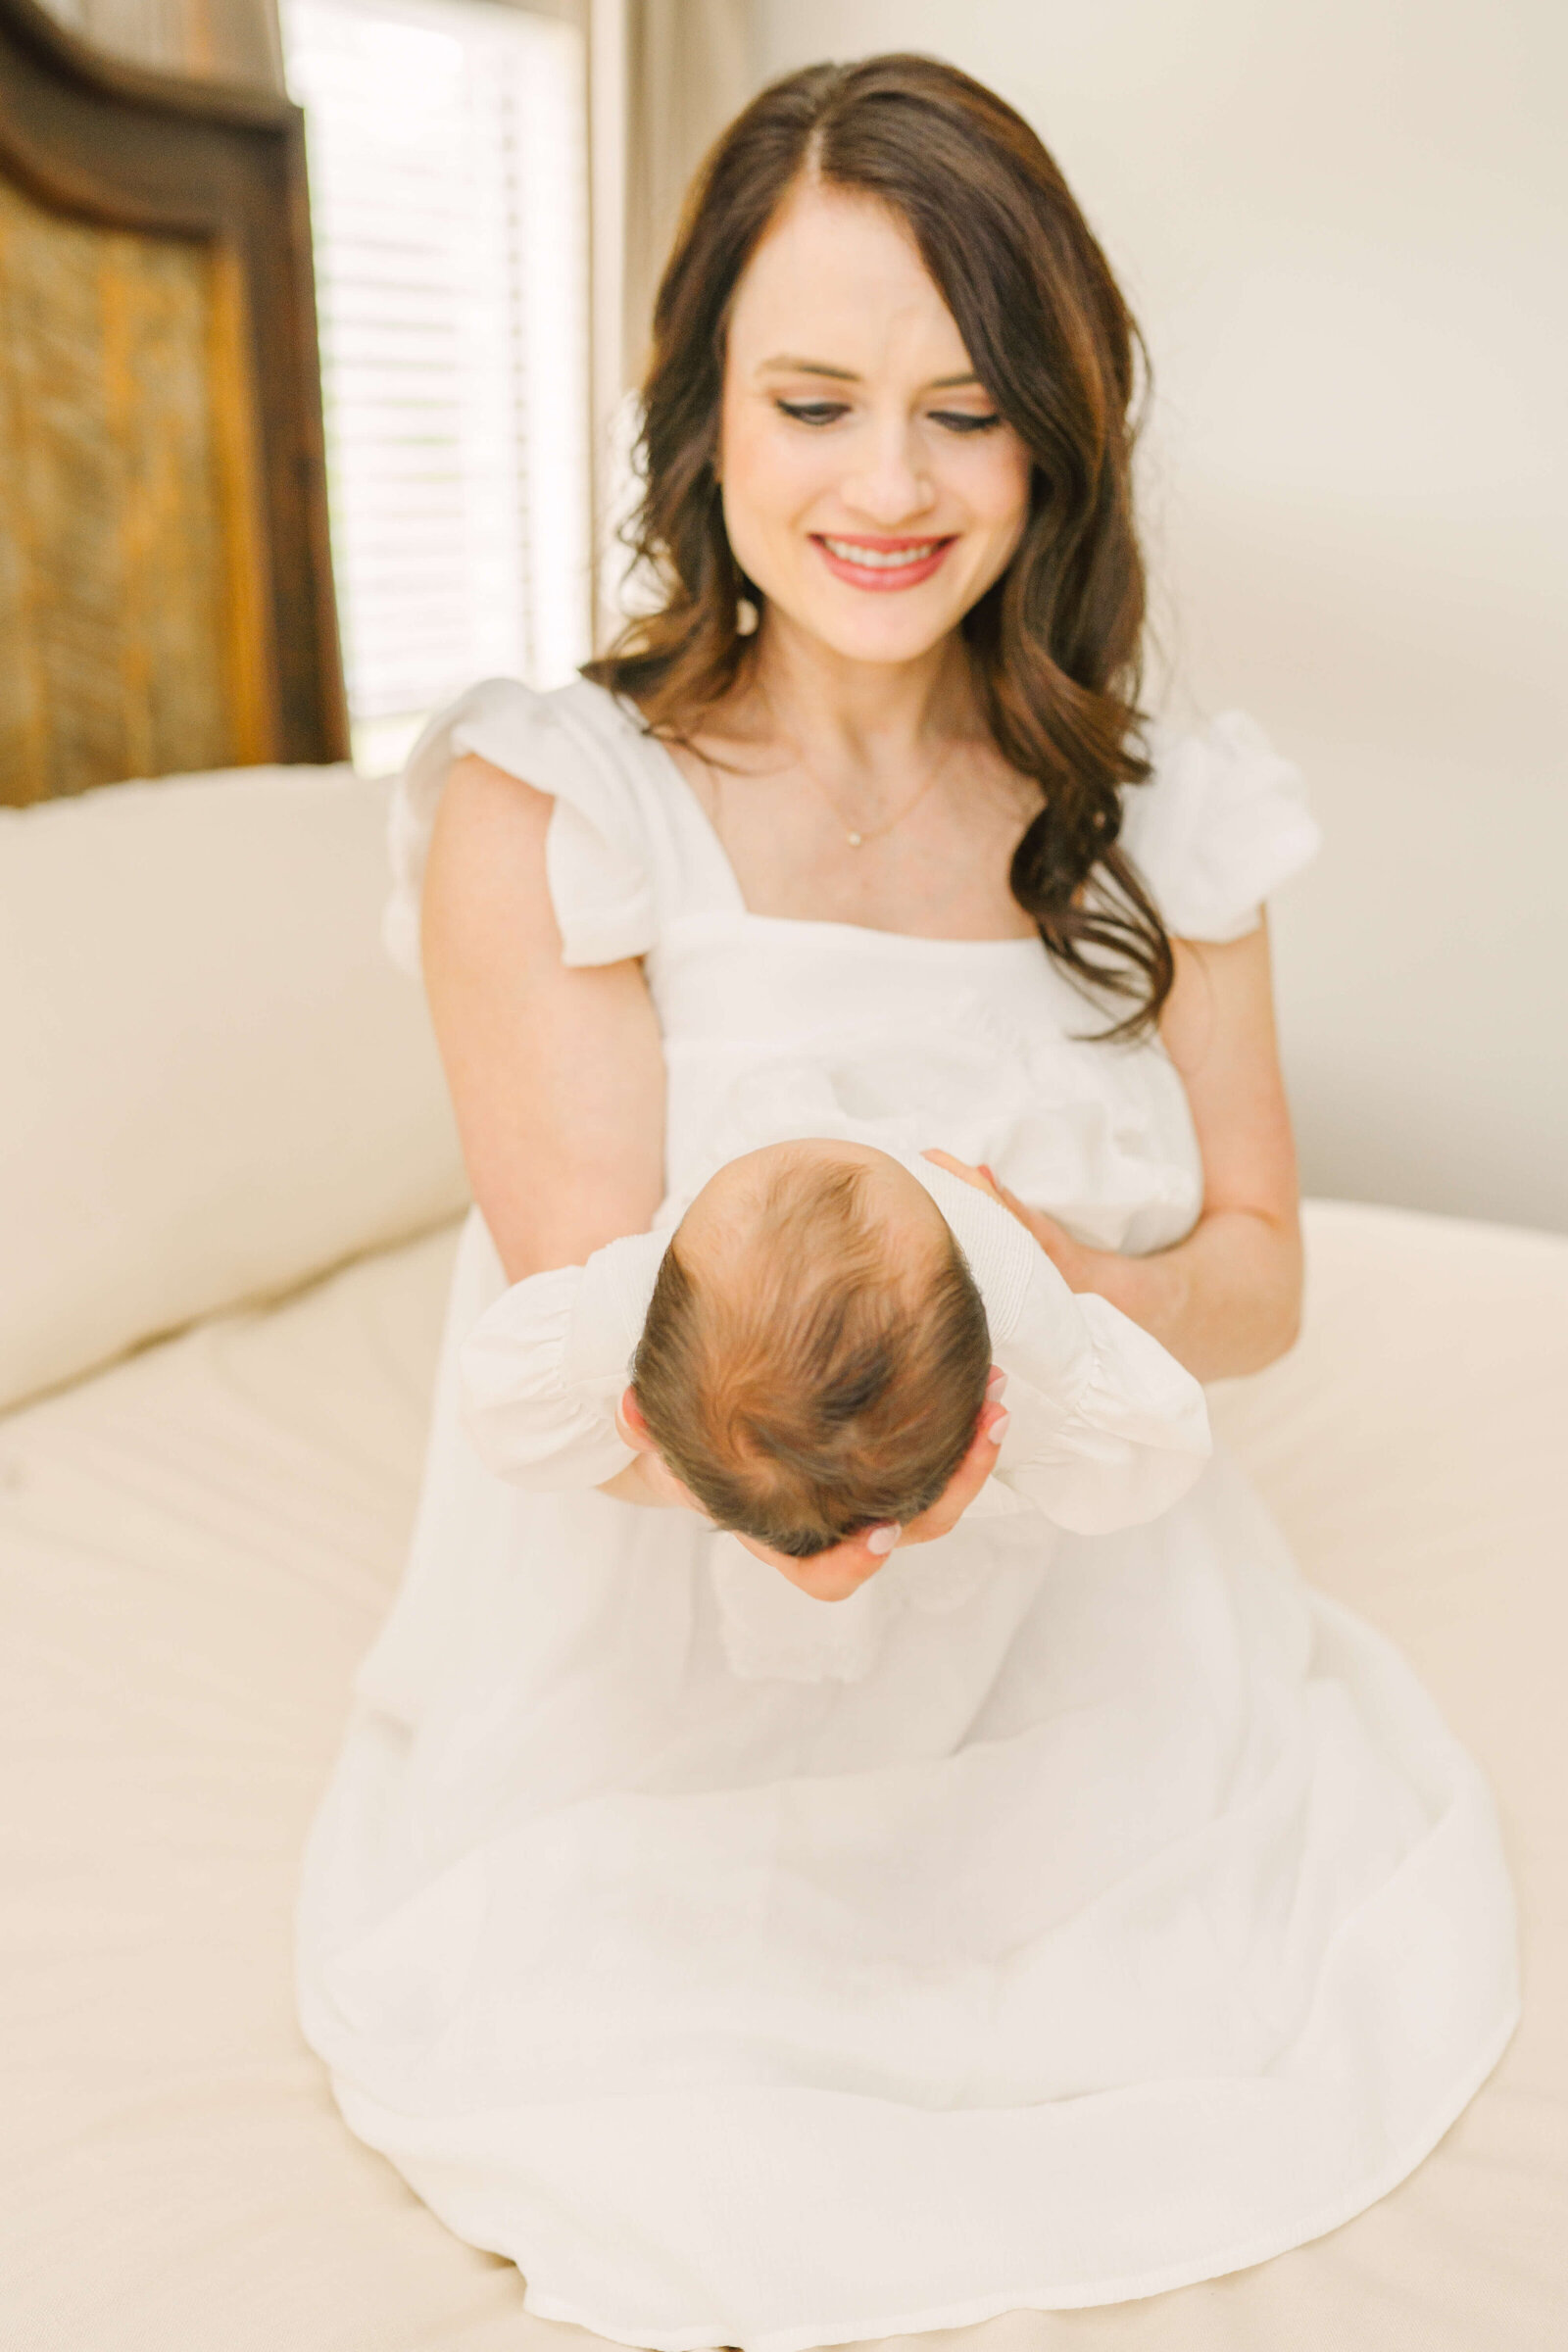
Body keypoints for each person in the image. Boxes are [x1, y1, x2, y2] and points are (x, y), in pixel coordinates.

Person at [295, 53, 1518, 2351]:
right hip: (667, 1637)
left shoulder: (1157, 823)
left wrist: (1059, 1286)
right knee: (691, 2118)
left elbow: (1254, 1277)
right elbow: (591, 1346)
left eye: (963, 410)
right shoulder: (558, 803)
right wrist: (841, 1474)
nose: (886, 483)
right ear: (708, 421)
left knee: (1206, 1994)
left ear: (1051, 436)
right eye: (815, 398)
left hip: (1090, 1632)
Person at [457, 1136, 1213, 1592]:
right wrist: (1027, 1272)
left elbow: (507, 1399)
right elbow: (1140, 1443)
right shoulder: (1016, 1305)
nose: (799, 1147)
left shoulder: (623, 1314)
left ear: (635, 1416)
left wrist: (668, 1445)